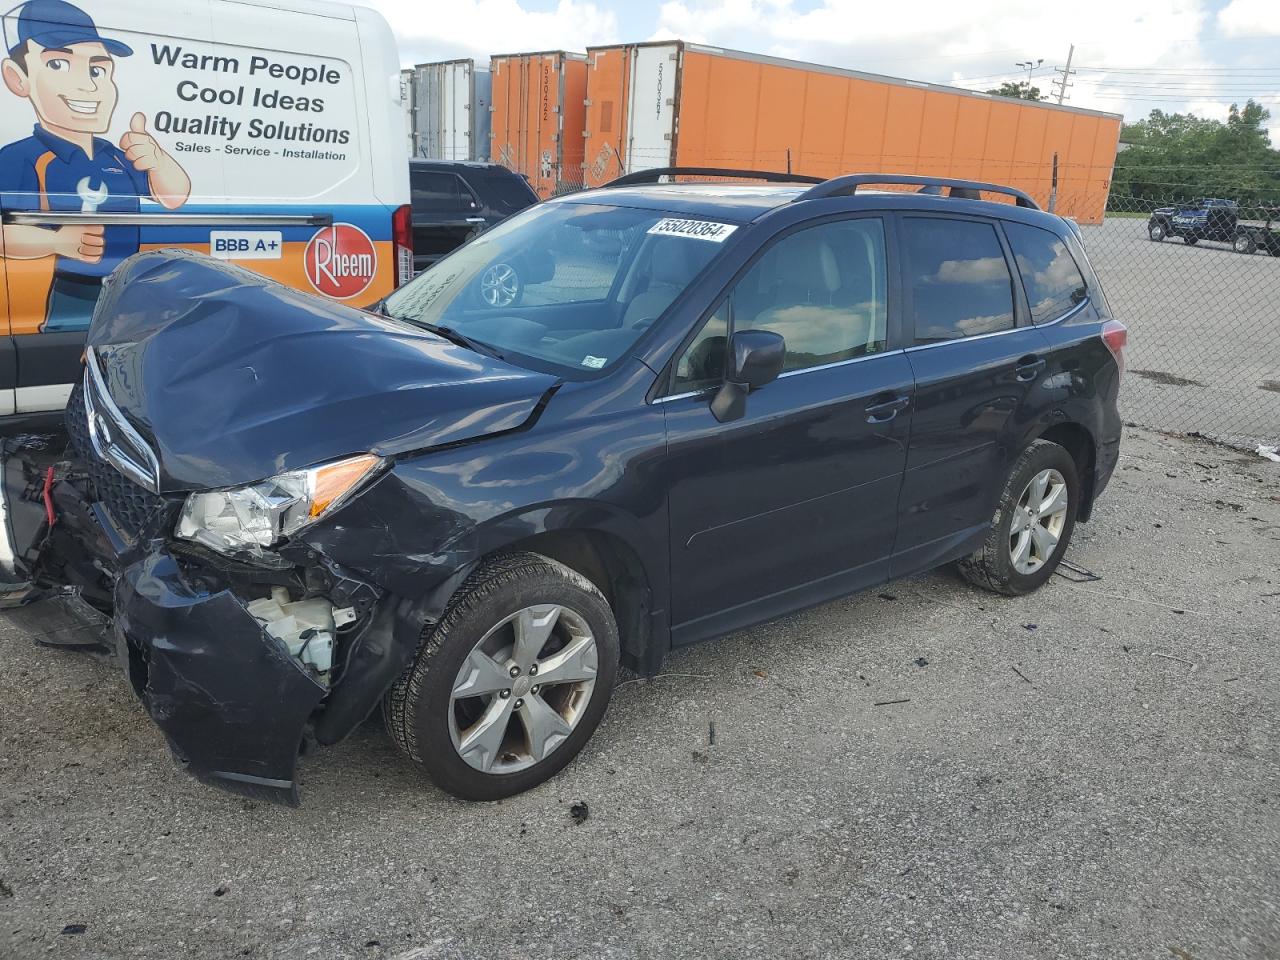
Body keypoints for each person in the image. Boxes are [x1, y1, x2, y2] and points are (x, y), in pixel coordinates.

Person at [0, 0, 191, 331]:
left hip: (130, 290)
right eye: (58, 65)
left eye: (97, 70)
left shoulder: (115, 155)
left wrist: (159, 160)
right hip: (74, 291)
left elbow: (174, 198)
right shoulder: (22, 157)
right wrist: (55, 242)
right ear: (18, 79)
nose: (88, 85)